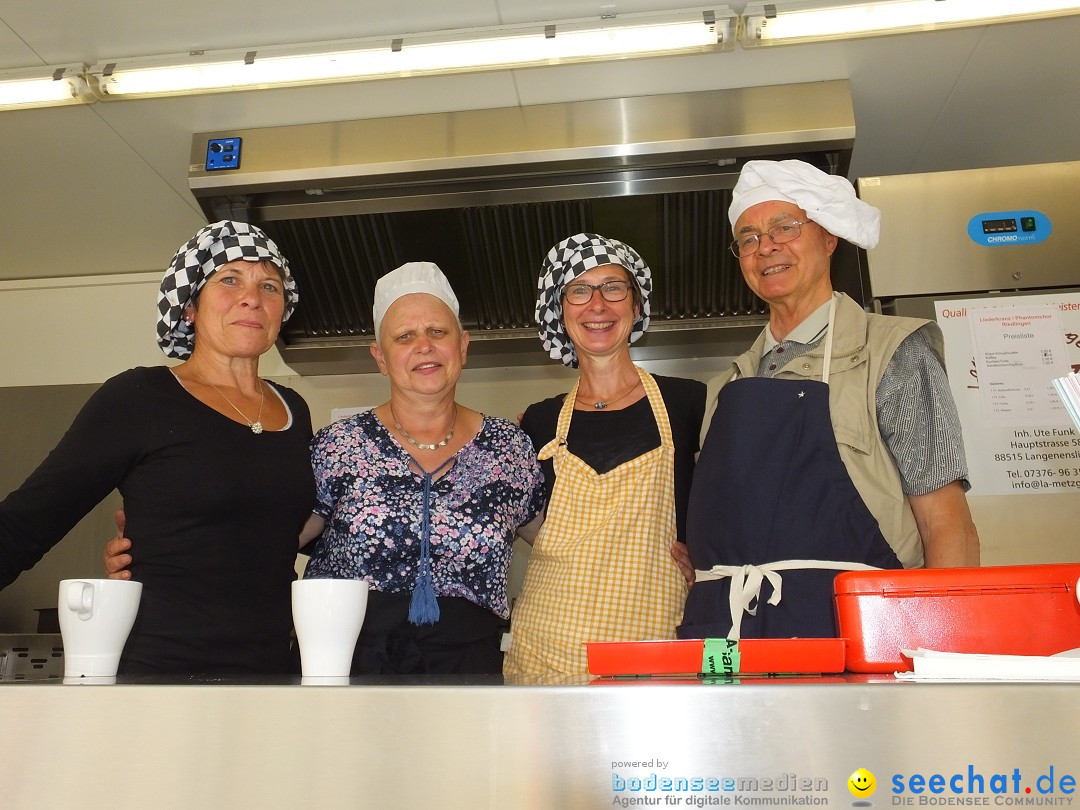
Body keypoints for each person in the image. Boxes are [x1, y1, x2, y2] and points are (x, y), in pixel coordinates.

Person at [677, 159, 980, 642]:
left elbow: (948, 525)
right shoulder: (724, 387)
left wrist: (940, 653)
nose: (766, 247)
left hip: (859, 630)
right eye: (749, 238)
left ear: (830, 236)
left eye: (785, 227)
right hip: (728, 636)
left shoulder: (892, 352)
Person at [1, 221, 316, 674]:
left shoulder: (294, 411)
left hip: (274, 673)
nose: (252, 297)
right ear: (189, 307)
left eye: (269, 285)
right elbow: (27, 521)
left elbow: (288, 530)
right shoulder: (141, 397)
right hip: (162, 674)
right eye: (229, 280)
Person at [299, 262, 546, 675]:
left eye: (437, 332)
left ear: (463, 346)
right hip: (351, 666)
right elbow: (275, 539)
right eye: (405, 336)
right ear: (380, 357)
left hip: (468, 666)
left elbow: (561, 546)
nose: (424, 346)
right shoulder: (337, 445)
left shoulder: (508, 448)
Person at [504, 233, 706, 678]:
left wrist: (709, 554)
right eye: (579, 290)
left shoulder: (689, 403)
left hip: (654, 641)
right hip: (549, 641)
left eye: (614, 287)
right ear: (560, 311)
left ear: (635, 306)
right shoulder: (539, 421)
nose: (598, 304)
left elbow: (729, 500)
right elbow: (523, 520)